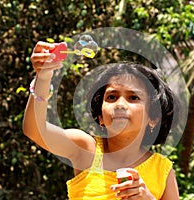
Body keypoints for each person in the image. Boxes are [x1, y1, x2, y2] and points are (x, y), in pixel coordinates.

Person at [23, 41, 180, 200]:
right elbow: (35, 130)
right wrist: (43, 77)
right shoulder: (85, 149)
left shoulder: (163, 171)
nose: (120, 105)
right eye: (112, 97)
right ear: (101, 117)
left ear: (153, 118)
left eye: (133, 97)